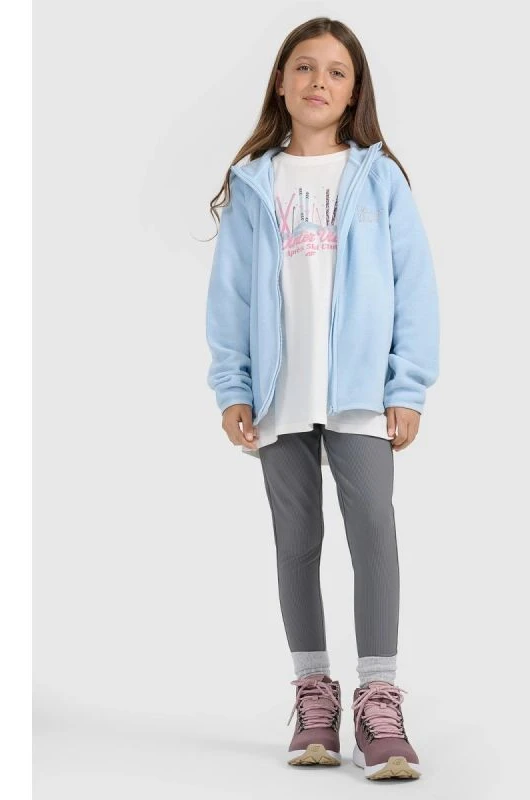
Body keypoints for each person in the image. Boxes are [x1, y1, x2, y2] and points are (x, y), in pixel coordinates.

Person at [204, 16, 439, 781]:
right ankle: (314, 697)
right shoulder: (253, 182)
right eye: (304, 67)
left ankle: (379, 702)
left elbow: (414, 288)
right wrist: (234, 387)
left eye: (336, 71)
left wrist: (407, 385)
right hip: (280, 396)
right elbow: (230, 297)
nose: (318, 82)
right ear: (281, 81)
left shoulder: (379, 178)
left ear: (354, 90)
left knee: (374, 533)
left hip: (362, 394)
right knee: (296, 542)